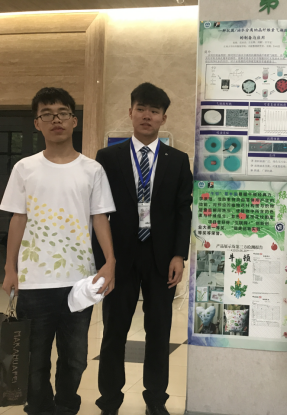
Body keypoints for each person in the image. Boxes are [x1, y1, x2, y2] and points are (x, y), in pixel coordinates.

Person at [0, 87, 116, 415]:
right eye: (47, 114)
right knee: (34, 360)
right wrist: (10, 268)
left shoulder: (92, 169)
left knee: (75, 358)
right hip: (34, 281)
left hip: (79, 281)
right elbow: (18, 219)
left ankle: (66, 407)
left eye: (63, 113)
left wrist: (110, 261)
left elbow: (99, 218)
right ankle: (39, 409)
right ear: (37, 123)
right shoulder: (25, 168)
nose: (56, 120)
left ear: (74, 120)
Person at [93, 83, 193, 416]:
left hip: (162, 257)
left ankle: (155, 400)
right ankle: (109, 401)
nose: (147, 116)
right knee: (114, 331)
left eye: (154, 110)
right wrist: (104, 260)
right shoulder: (108, 158)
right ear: (131, 112)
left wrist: (179, 254)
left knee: (159, 331)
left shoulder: (178, 160)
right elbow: (99, 211)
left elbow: (183, 209)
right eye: (141, 109)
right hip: (119, 257)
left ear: (164, 117)